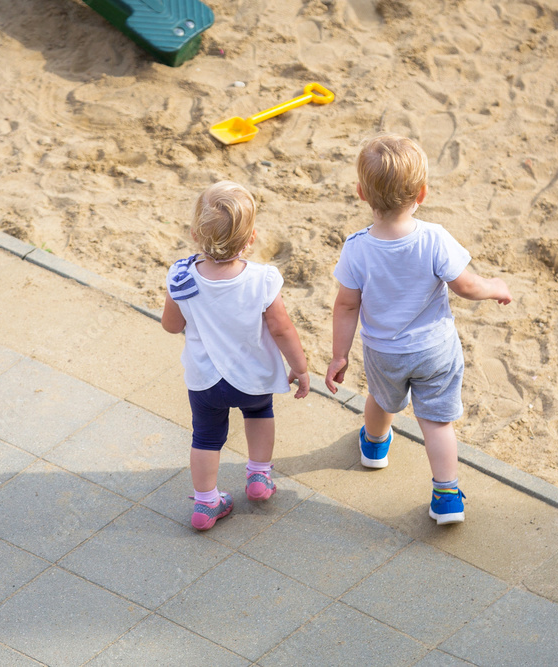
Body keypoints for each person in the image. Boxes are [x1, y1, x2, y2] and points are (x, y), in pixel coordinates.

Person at [325, 134, 512, 524]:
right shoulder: (434, 239)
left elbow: (346, 305)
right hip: (435, 349)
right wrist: (495, 287)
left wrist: (339, 354)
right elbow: (466, 286)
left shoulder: (357, 248)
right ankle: (446, 496)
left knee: (380, 397)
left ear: (361, 193)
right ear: (422, 193)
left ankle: (374, 447)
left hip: (385, 351)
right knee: (437, 422)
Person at [162, 181, 310, 531]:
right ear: (251, 238)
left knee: (206, 437)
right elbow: (281, 328)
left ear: (196, 235)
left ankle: (205, 503)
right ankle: (259, 477)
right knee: (259, 413)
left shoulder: (181, 276)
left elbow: (171, 325)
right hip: (253, 377)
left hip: (205, 380)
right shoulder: (262, 279)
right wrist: (300, 367)